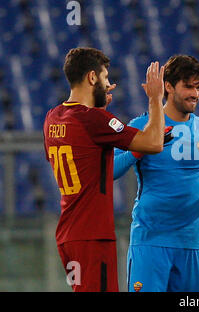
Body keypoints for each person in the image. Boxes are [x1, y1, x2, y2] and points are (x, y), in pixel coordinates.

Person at [43, 47, 166, 291]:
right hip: (92, 236)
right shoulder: (94, 121)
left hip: (68, 235)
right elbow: (154, 142)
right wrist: (155, 99)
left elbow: (85, 149)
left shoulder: (52, 118)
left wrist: (99, 109)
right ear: (92, 77)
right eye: (105, 78)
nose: (109, 85)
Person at [113, 54, 199, 292]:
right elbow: (111, 171)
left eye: (198, 87)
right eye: (188, 86)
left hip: (190, 244)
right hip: (150, 241)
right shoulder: (140, 126)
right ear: (168, 86)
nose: (195, 94)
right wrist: (142, 148)